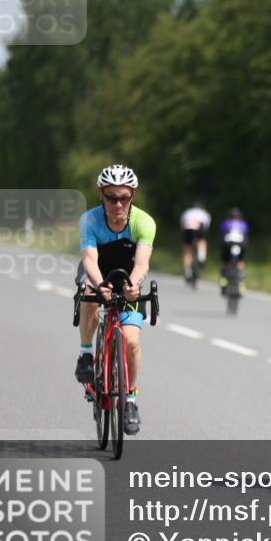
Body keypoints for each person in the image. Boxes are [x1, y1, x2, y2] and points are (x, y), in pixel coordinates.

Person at [74, 164, 156, 435]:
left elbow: (142, 263)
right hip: (98, 272)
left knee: (131, 339)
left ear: (132, 195)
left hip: (128, 276)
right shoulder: (90, 220)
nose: (118, 203)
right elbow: (89, 259)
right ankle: (87, 355)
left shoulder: (143, 222)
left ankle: (130, 398)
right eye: (111, 197)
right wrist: (99, 285)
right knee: (87, 293)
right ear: (101, 195)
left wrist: (134, 284)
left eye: (124, 197)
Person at [219, 208, 249, 295]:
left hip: (228, 244)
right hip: (241, 244)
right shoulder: (243, 224)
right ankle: (241, 284)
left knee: (225, 262)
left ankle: (224, 282)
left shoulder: (225, 224)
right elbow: (245, 236)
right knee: (240, 262)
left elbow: (222, 237)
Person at [180, 201, 211, 282]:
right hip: (199, 229)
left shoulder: (187, 212)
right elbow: (206, 226)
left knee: (187, 251)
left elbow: (182, 225)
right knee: (202, 241)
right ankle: (201, 256)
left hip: (188, 230)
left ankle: (188, 272)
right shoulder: (204, 213)